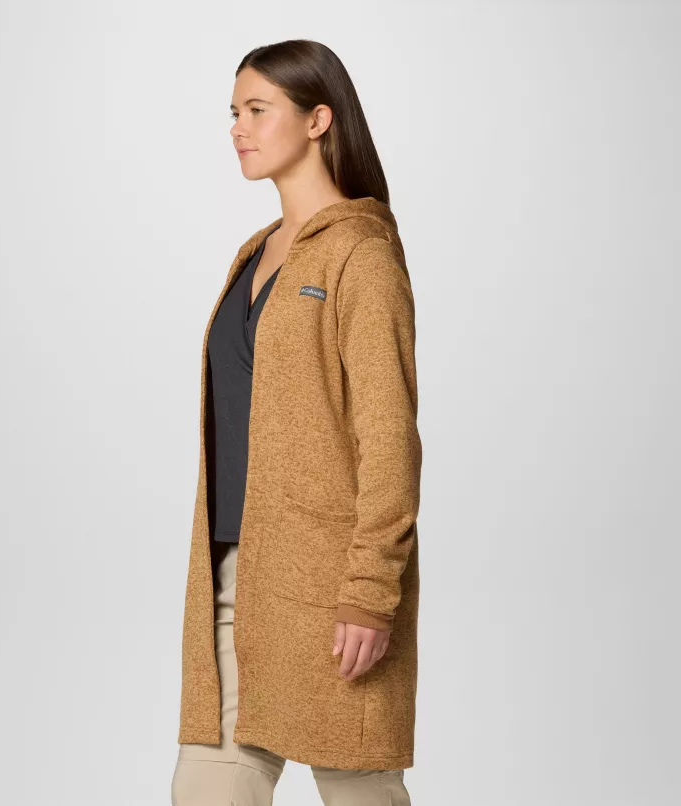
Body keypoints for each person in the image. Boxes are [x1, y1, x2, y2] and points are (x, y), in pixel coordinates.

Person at [171, 39, 421, 806]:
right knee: (206, 791)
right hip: (235, 578)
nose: (237, 128)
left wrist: (369, 591)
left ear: (318, 120)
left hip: (331, 585)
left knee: (359, 791)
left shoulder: (361, 254)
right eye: (233, 112)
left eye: (257, 110)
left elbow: (389, 437)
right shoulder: (256, 252)